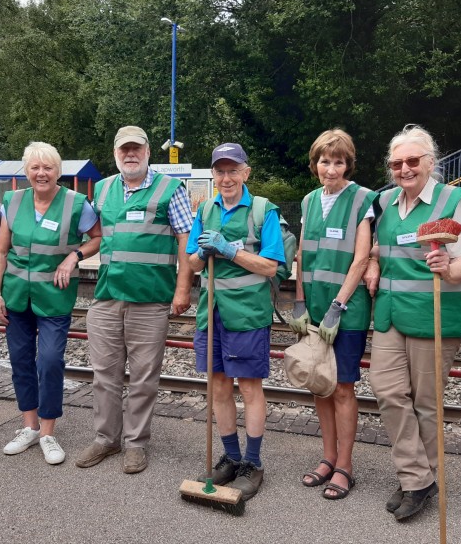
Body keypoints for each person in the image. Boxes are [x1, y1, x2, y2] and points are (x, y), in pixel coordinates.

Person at [363, 125, 461, 521]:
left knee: (426, 404)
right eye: (397, 163)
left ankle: (416, 480)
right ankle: (419, 477)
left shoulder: (452, 199)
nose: (405, 169)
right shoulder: (385, 202)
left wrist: (450, 267)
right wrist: (374, 263)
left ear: (431, 162)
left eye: (413, 161)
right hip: (391, 314)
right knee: (387, 391)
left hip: (435, 315)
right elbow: (380, 246)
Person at [75, 126, 194, 474]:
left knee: (144, 377)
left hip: (150, 299)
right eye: (124, 149)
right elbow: (89, 232)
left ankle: (136, 443)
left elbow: (186, 240)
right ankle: (106, 439)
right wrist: (68, 254)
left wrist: (183, 289)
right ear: (115, 153)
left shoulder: (171, 189)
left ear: (147, 153)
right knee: (104, 375)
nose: (130, 154)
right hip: (107, 297)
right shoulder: (103, 189)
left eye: (136, 149)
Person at [186, 142, 286, 501]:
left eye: (233, 170)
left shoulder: (263, 211)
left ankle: (253, 463)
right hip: (210, 313)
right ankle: (229, 456)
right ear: (213, 175)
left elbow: (272, 266)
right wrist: (202, 251)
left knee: (249, 387)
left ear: (246, 173)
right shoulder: (206, 209)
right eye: (220, 171)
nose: (226, 177)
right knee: (218, 385)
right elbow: (193, 265)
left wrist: (230, 250)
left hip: (246, 314)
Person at [0, 142, 101, 465]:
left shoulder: (76, 203)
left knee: (50, 361)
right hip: (15, 298)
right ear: (26, 171)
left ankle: (48, 433)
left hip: (54, 298)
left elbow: (96, 238)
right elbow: (0, 251)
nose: (41, 173)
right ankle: (29, 426)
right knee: (21, 361)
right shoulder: (12, 201)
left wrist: (74, 256)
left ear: (58, 171)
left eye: (48, 167)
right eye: (35, 167)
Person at [289, 128, 377, 500]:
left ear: (348, 164)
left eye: (338, 161)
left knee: (342, 388)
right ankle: (326, 458)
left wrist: (337, 307)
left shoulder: (363, 199)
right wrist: (298, 301)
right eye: (325, 161)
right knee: (319, 385)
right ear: (316, 164)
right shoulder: (309, 201)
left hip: (347, 308)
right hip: (313, 306)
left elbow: (360, 258)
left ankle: (344, 466)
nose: (331, 168)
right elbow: (303, 256)